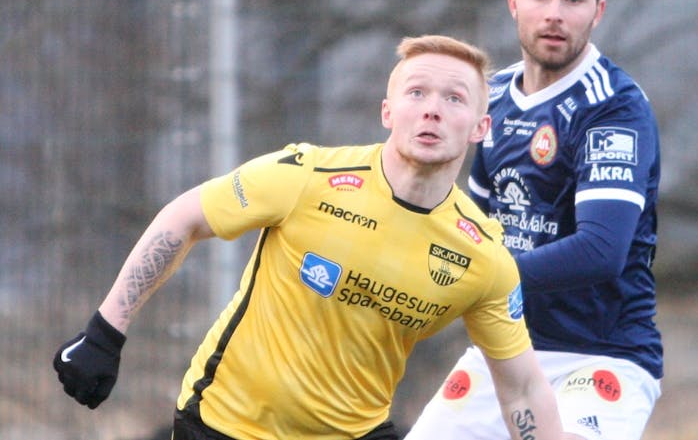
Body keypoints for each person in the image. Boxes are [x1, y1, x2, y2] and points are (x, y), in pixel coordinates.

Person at [53, 35, 572, 440]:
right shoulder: (306, 175)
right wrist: (105, 333)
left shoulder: (481, 255)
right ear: (388, 112)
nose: (432, 108)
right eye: (416, 92)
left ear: (481, 127)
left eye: (453, 98)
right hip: (225, 425)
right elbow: (184, 218)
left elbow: (523, 387)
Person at [406, 0, 663, 440]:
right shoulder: (492, 95)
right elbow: (464, 221)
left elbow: (601, 250)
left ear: (598, 12)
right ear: (513, 2)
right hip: (503, 349)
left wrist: (477, 280)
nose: (554, 14)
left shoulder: (613, 107)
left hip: (601, 356)